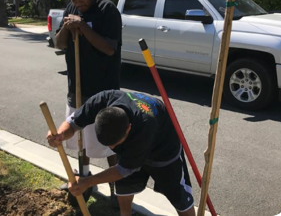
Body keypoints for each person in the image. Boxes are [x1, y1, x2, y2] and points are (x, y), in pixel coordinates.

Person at [47, 90, 196, 216]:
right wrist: (59, 134)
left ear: (128, 128)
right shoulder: (104, 99)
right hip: (134, 146)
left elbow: (122, 170)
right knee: (124, 188)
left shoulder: (145, 126)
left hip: (164, 150)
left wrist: (87, 182)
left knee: (178, 195)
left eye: (116, 144)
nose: (112, 148)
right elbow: (73, 123)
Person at [54, 0, 122, 205]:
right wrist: (66, 29)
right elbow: (59, 44)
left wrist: (82, 26)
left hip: (104, 91)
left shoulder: (107, 10)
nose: (78, 2)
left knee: (110, 141)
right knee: (80, 137)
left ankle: (119, 186)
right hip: (78, 89)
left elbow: (109, 48)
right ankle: (84, 178)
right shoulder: (70, 9)